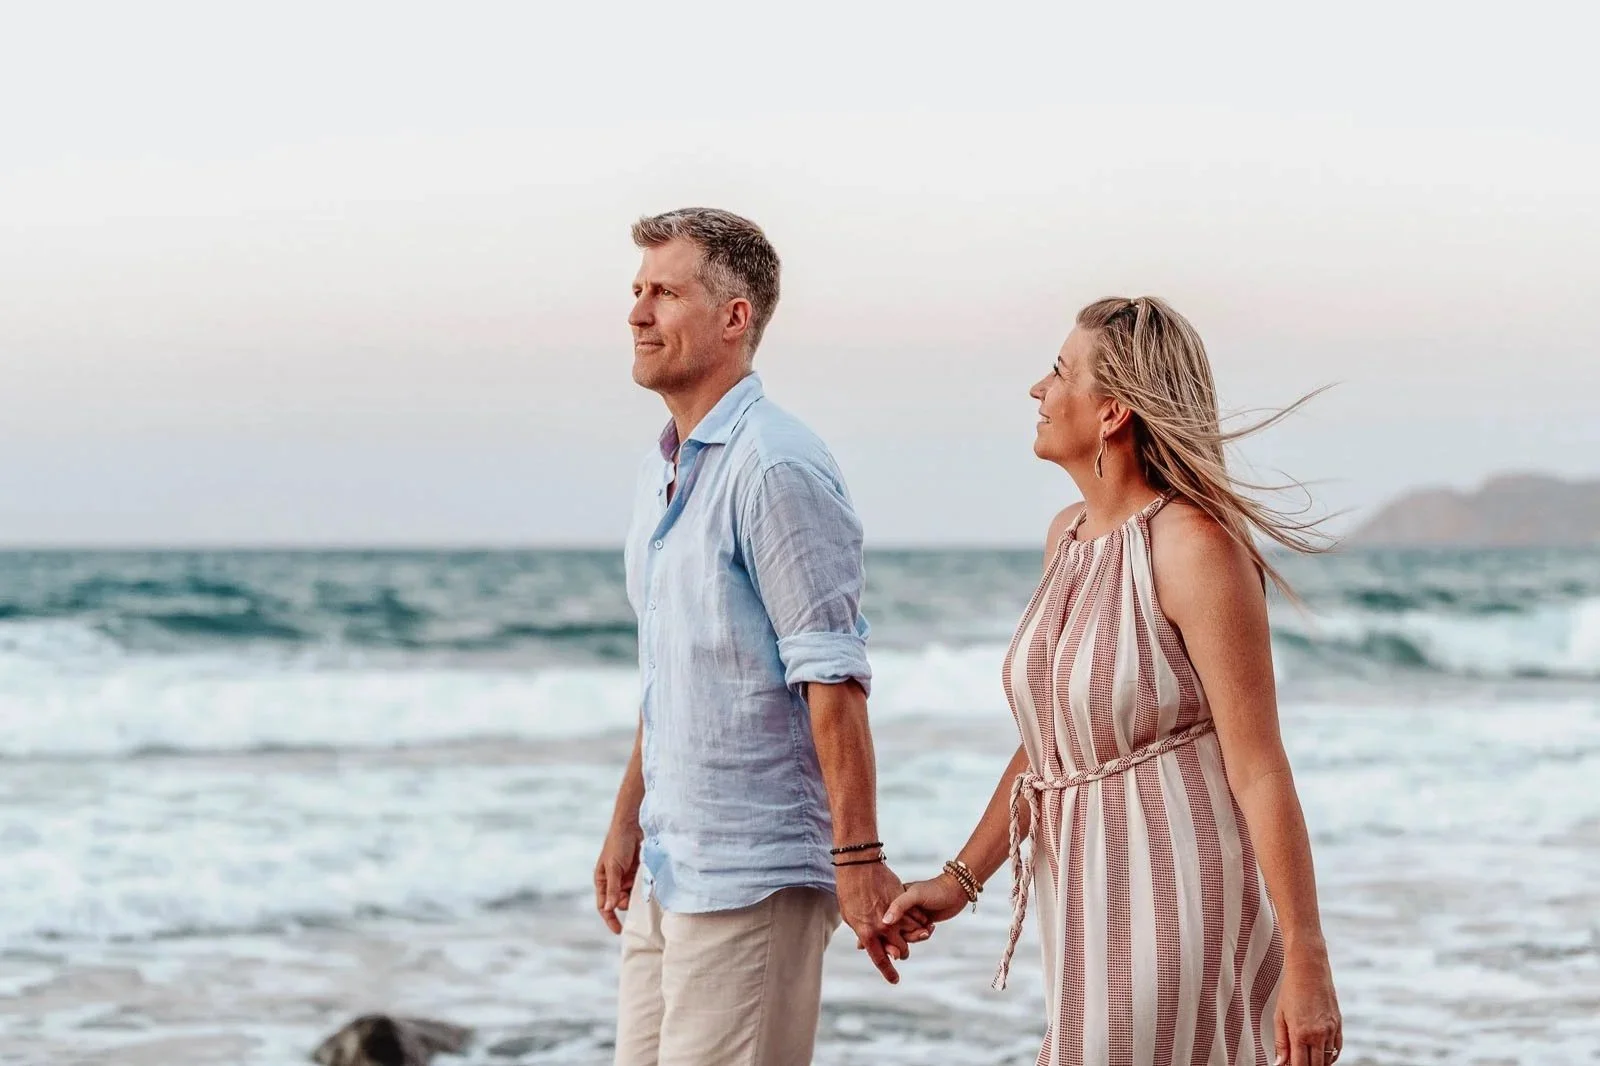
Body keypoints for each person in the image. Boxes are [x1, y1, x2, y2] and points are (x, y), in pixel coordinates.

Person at [886, 297, 1343, 1066]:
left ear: (1112, 412)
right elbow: (1051, 746)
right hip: (1083, 904)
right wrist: (960, 880)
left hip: (1177, 891)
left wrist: (1306, 954)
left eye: (1060, 371)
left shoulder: (1194, 545)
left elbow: (1259, 765)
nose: (1038, 389)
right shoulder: (1065, 537)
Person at [594, 207, 929, 1066]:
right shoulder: (662, 467)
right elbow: (676, 671)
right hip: (673, 863)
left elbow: (831, 674)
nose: (637, 313)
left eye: (665, 293)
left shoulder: (775, 463)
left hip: (753, 873)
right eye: (637, 290)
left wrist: (859, 857)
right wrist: (629, 818)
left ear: (734, 317)